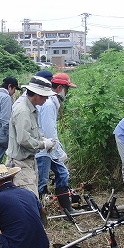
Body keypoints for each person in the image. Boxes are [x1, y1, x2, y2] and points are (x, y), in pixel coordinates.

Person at [6, 75, 57, 197]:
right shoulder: (23, 110)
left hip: (28, 162)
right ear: (38, 95)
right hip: (20, 163)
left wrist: (42, 139)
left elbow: (30, 133)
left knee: (32, 198)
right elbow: (23, 139)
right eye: (45, 96)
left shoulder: (31, 108)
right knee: (28, 200)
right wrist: (43, 144)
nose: (46, 99)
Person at [36, 72, 77, 213]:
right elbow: (49, 133)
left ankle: (66, 208)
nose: (68, 92)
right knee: (41, 182)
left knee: (63, 174)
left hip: (50, 149)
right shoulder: (48, 104)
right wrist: (60, 152)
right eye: (67, 89)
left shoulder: (53, 102)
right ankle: (37, 212)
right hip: (44, 149)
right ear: (60, 88)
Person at [0, 76, 21, 168]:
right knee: (19, 156)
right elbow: (6, 121)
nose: (14, 93)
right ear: (10, 86)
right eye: (14, 89)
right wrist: (11, 137)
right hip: (3, 136)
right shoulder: (6, 98)